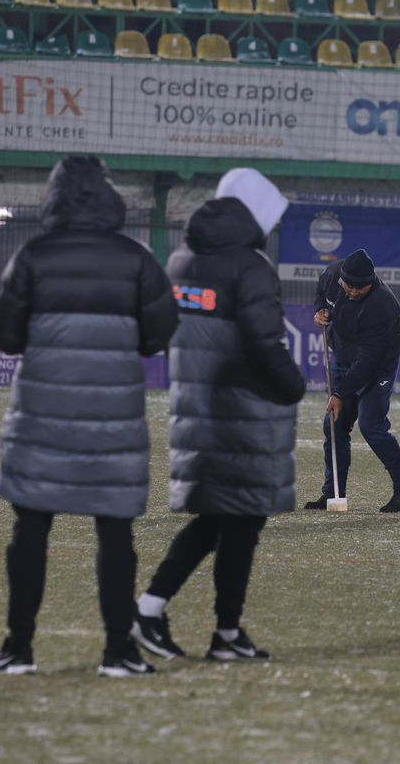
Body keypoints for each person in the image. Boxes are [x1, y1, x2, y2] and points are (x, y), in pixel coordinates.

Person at [0, 156, 179, 677]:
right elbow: (160, 334)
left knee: (30, 529)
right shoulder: (135, 259)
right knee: (115, 534)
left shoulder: (33, 254)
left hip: (42, 415)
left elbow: (3, 332)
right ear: (108, 195)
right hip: (113, 418)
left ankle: (17, 650)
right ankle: (118, 651)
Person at [131, 168, 305, 664]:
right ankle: (192, 622)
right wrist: (292, 386)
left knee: (222, 519)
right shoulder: (248, 266)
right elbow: (263, 341)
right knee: (238, 520)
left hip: (198, 409)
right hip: (242, 411)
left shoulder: (183, 259)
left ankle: (201, 624)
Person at [305, 248, 400, 513]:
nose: (354, 292)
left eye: (361, 288)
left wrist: (339, 394)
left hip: (376, 367)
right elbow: (321, 294)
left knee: (372, 426)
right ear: (342, 280)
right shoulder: (332, 276)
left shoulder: (382, 305)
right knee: (334, 426)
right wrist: (320, 310)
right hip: (342, 357)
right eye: (350, 287)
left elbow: (368, 361)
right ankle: (332, 492)